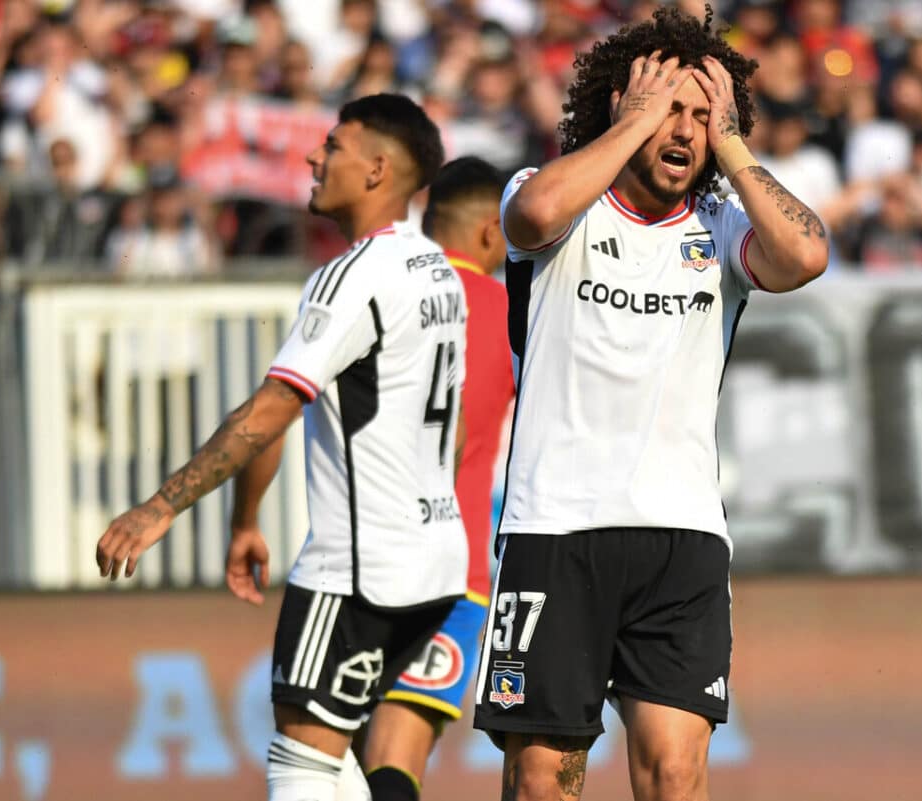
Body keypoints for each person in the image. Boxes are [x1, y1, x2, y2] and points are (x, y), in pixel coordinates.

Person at [472, 7, 827, 801]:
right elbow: (531, 217)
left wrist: (731, 142)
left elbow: (805, 253)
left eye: (703, 116)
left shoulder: (722, 226)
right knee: (543, 780)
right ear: (621, 105)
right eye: (671, 109)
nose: (686, 130)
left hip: (682, 536)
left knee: (675, 774)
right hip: (555, 528)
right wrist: (635, 122)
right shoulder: (551, 198)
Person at [94, 93, 468, 801]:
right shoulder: (433, 268)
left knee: (301, 764)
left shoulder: (352, 277)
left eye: (333, 146)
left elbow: (272, 407)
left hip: (360, 569)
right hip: (435, 563)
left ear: (377, 169)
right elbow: (292, 401)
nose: (312, 156)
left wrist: (159, 506)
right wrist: (246, 519)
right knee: (336, 755)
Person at [356, 156, 516, 801]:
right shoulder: (512, 312)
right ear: (490, 231)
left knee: (335, 756)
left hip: (357, 557)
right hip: (452, 565)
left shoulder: (380, 291)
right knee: (396, 753)